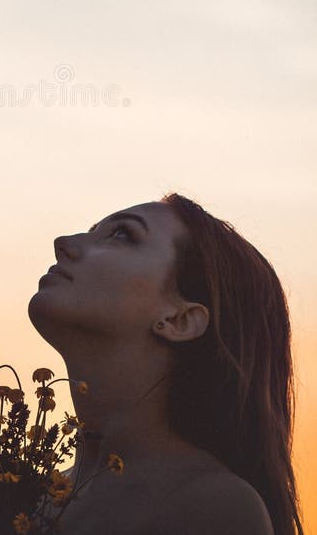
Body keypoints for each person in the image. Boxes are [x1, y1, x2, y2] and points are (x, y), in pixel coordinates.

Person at [28, 193, 304, 535]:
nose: (64, 243)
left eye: (122, 235)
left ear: (179, 319)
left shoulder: (215, 509)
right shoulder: (30, 499)